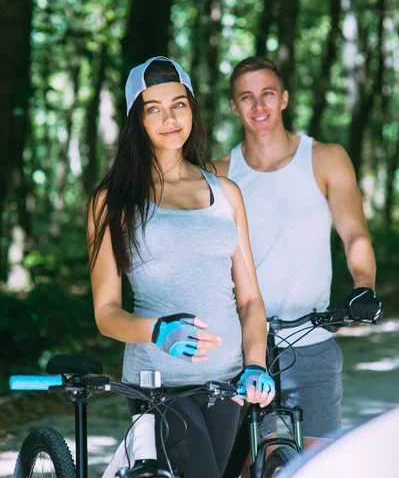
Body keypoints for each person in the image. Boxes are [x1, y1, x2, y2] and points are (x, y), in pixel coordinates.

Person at [86, 56, 275, 478]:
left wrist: (256, 364)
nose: (170, 118)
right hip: (159, 383)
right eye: (154, 108)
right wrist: (158, 330)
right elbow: (106, 313)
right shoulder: (112, 201)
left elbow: (248, 299)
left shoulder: (226, 192)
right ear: (137, 119)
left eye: (179, 104)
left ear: (193, 109)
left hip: (228, 382)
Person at [213, 56, 381, 466]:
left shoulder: (324, 158)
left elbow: (354, 234)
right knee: (249, 462)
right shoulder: (218, 173)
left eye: (267, 93)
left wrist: (364, 286)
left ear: (284, 98)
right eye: (246, 97)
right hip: (242, 348)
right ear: (235, 106)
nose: (259, 106)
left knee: (321, 464)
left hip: (312, 339)